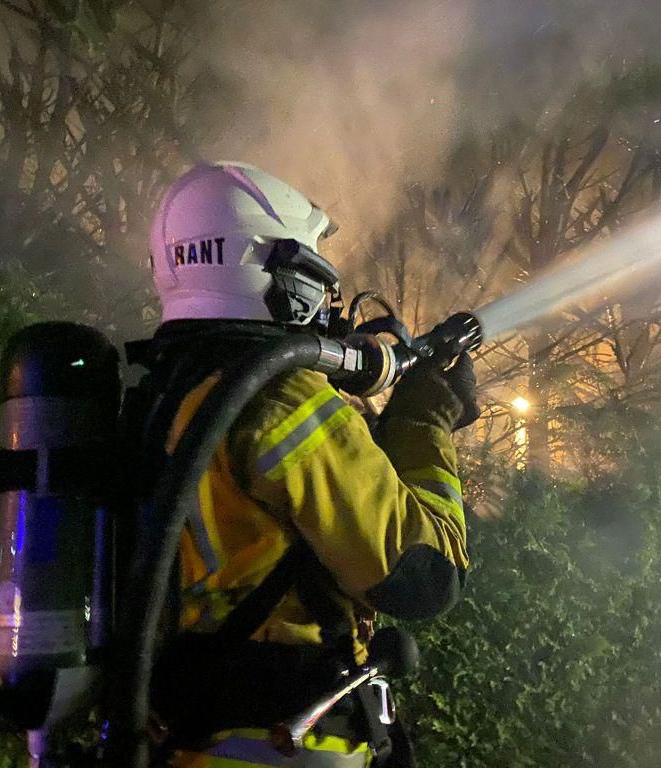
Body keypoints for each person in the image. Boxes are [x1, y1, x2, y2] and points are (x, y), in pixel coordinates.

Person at [132, 162, 479, 768]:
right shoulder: (281, 401)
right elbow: (426, 577)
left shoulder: (166, 396)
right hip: (289, 744)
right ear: (282, 280)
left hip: (186, 738)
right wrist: (426, 421)